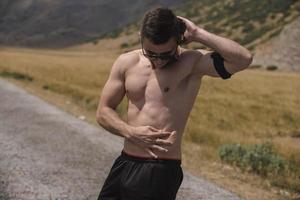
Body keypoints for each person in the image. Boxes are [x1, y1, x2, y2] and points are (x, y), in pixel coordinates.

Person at [96, 7, 252, 200]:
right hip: (125, 161)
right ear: (140, 37)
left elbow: (243, 59)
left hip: (159, 169)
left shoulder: (192, 63)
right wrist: (130, 132)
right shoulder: (126, 62)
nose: (158, 61)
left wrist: (198, 34)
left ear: (179, 40)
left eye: (165, 55)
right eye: (151, 53)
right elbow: (103, 112)